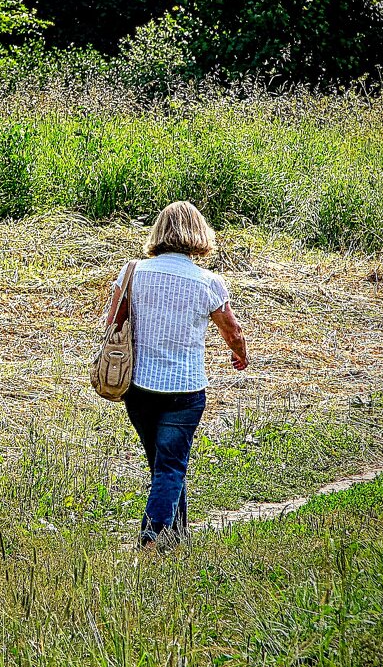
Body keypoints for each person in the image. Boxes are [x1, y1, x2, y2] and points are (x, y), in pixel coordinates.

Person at [104, 201, 249, 550]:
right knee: (170, 466)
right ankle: (152, 538)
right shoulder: (208, 281)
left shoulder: (133, 271)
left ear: (158, 233)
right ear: (199, 234)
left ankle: (177, 537)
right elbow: (233, 331)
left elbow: (111, 323)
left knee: (163, 465)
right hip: (184, 390)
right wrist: (239, 354)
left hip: (137, 387)